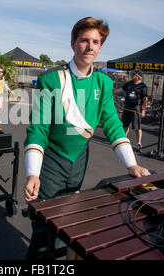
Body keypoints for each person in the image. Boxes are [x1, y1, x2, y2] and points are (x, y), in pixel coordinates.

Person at [23, 17, 150, 260]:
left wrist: (131, 164)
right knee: (43, 231)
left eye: (96, 42)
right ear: (73, 43)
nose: (90, 46)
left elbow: (112, 124)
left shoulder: (103, 82)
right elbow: (38, 128)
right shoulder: (51, 79)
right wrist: (32, 173)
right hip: (51, 159)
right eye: (84, 40)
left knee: (71, 224)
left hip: (80, 158)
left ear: (100, 47)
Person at [114, 69, 148, 150]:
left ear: (137, 76)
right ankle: (123, 140)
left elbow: (145, 99)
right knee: (125, 125)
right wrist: (112, 92)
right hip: (127, 107)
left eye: (133, 74)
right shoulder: (129, 83)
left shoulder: (143, 86)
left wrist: (143, 110)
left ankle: (138, 143)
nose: (131, 75)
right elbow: (121, 90)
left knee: (137, 127)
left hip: (136, 108)